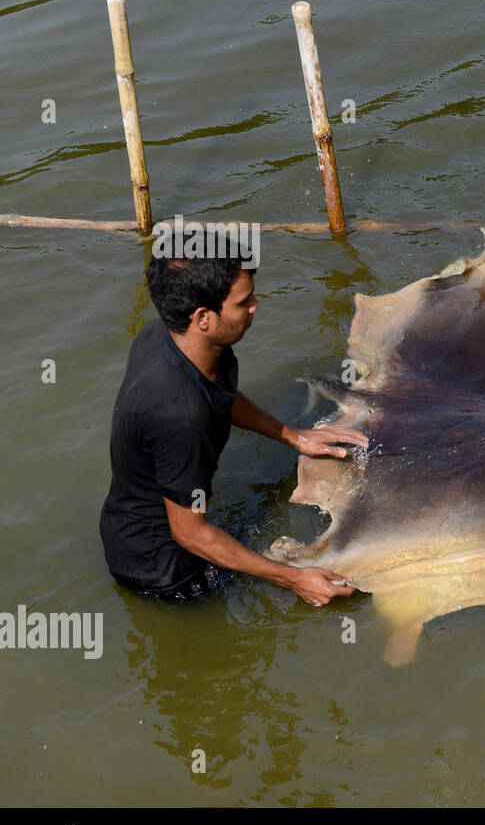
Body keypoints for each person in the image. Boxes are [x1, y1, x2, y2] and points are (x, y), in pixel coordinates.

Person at [99, 230, 367, 606]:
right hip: (165, 570)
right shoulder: (181, 417)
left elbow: (219, 395)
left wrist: (293, 436)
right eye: (243, 302)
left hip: (148, 522)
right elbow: (190, 534)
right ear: (203, 317)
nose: (256, 305)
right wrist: (292, 579)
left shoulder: (170, 336)